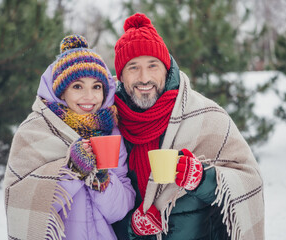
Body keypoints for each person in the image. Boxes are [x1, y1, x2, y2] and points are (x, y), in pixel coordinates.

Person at [111, 13, 265, 240]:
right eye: (133, 67)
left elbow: (249, 180)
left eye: (152, 65)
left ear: (166, 68)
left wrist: (201, 178)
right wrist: (131, 228)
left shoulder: (206, 115)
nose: (144, 78)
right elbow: (93, 208)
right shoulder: (110, 125)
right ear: (121, 75)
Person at [4, 35, 135, 240]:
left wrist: (101, 180)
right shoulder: (35, 130)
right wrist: (72, 170)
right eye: (77, 86)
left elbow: (119, 211)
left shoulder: (110, 132)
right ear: (61, 92)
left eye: (96, 87)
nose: (89, 97)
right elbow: (23, 204)